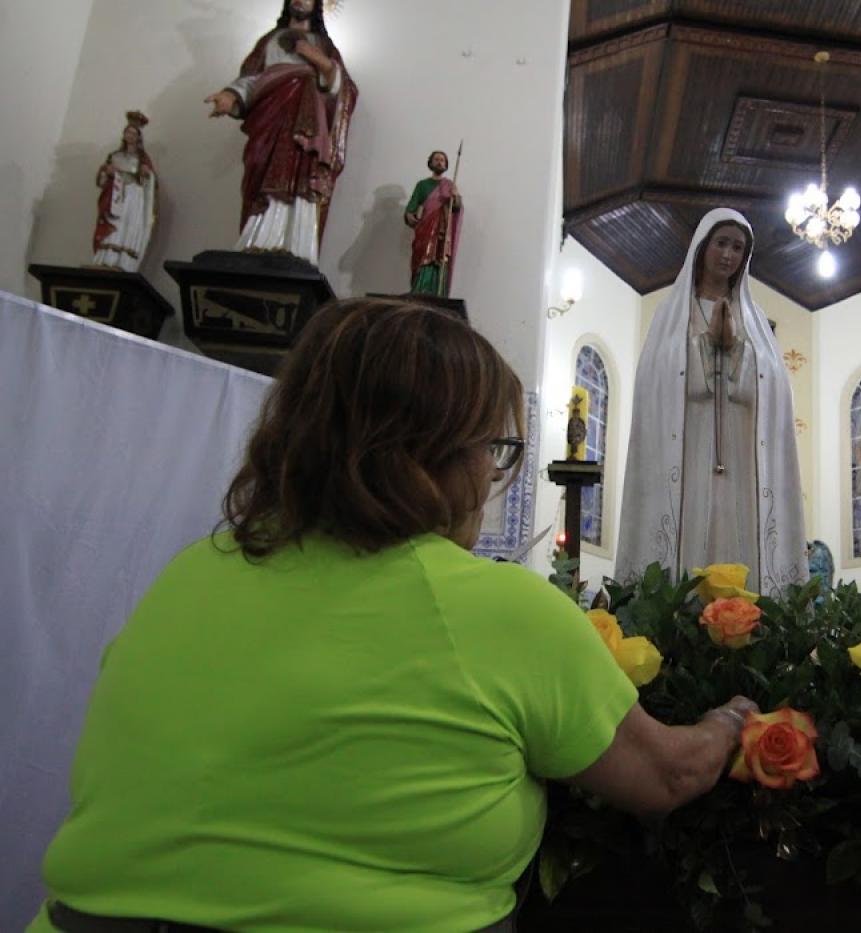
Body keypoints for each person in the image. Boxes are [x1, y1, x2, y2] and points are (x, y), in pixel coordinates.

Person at [26, 298, 755, 933]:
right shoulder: (496, 607)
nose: (488, 477)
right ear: (431, 456)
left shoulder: (187, 573)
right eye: (488, 449)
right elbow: (666, 775)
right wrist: (730, 718)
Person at [615, 208, 806, 596]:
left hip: (740, 453)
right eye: (721, 243)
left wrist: (736, 348)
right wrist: (706, 345)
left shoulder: (753, 318)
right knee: (691, 525)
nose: (728, 254)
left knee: (734, 523)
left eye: (738, 247)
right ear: (703, 247)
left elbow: (773, 388)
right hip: (687, 448)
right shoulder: (671, 313)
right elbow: (658, 378)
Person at [203, 0, 357, 266]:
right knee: (261, 165)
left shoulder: (324, 45)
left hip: (306, 121)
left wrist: (316, 58)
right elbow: (251, 78)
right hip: (270, 117)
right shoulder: (269, 41)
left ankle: (295, 244)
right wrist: (230, 96)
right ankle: (256, 239)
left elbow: (342, 90)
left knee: (302, 173)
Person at [91, 111, 157, 273]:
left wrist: (145, 174)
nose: (130, 136)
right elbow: (102, 182)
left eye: (134, 133)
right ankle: (106, 257)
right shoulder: (114, 156)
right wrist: (105, 173)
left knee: (127, 224)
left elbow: (148, 181)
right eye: (128, 132)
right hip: (116, 196)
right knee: (113, 223)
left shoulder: (142, 159)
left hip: (133, 195)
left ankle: (123, 260)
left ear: (139, 137)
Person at [404, 149, 463, 295]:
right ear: (430, 163)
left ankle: (437, 291)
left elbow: (456, 208)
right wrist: (409, 216)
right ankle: (420, 289)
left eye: (442, 160)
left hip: (442, 229)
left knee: (439, 257)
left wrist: (455, 197)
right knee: (423, 256)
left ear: (446, 165)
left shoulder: (449, 185)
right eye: (436, 159)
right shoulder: (422, 185)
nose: (439, 162)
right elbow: (411, 207)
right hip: (425, 227)